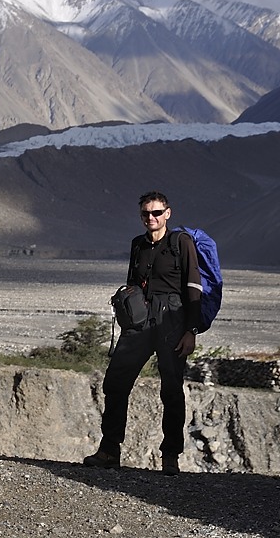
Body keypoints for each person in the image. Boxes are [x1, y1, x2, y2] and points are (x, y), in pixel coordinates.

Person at [83, 190, 202, 475]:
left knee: (171, 388)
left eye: (157, 212)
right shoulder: (138, 244)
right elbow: (131, 283)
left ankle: (170, 455)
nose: (151, 217)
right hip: (140, 321)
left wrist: (191, 331)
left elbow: (194, 287)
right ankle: (109, 449)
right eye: (146, 213)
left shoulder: (180, 243)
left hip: (171, 318)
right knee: (115, 382)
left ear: (168, 214)